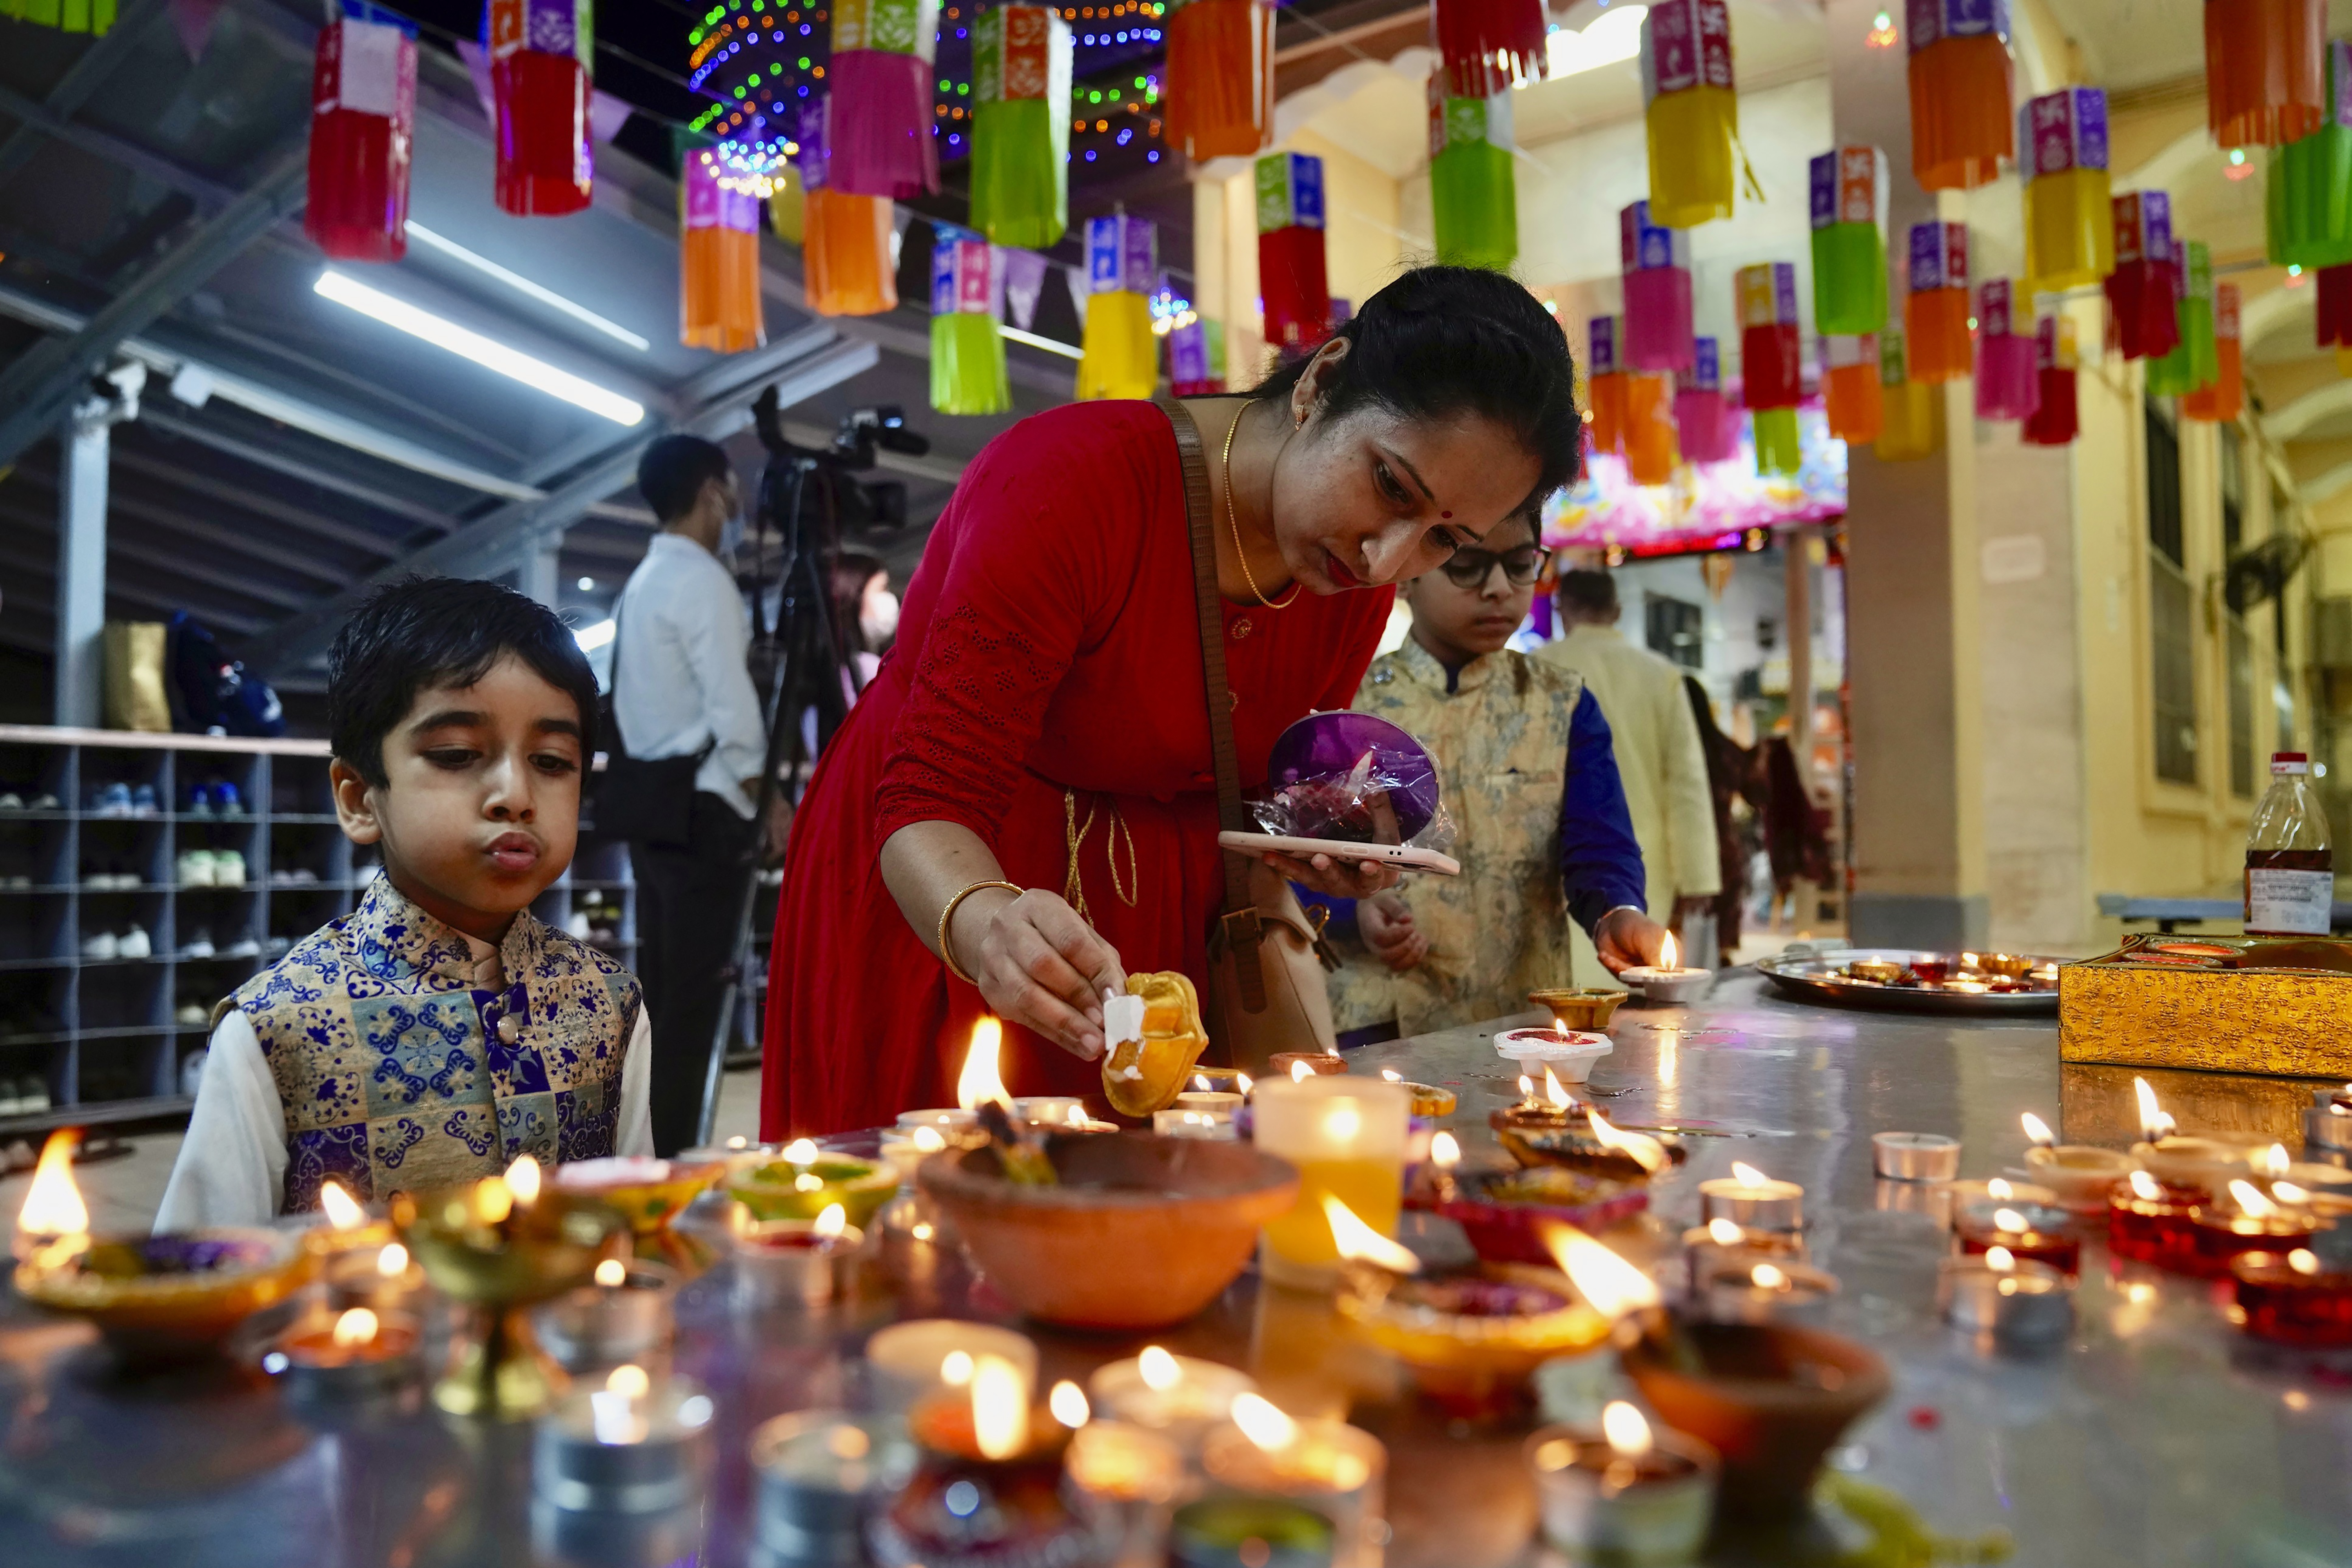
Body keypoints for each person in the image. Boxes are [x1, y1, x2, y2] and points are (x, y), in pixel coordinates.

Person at [761, 266, 1583, 1137]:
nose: (1386, 560)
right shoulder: (1073, 483)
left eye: (1444, 539)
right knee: (942, 1209)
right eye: (1390, 486)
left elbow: (1260, 786)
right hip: (958, 881)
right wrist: (985, 923)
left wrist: (1312, 840)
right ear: (1323, 380)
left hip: (1156, 929)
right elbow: (928, 796)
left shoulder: (1353, 585)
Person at [156, 580, 652, 1229]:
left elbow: (637, 1225)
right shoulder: (274, 1031)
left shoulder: (610, 1005)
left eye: (552, 761)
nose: (515, 794)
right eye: (456, 754)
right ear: (360, 799)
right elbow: (199, 1275)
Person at [1322, 515, 1670, 1042]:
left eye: (1520, 564)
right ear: (1409, 573)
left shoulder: (1562, 701)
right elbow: (1295, 854)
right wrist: (1355, 910)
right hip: (1382, 1022)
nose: (1500, 589)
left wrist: (1616, 912)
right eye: (1468, 565)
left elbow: (1598, 844)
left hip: (1527, 1019)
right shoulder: (1350, 705)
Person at [612, 434, 766, 1155]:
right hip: (707, 808)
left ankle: (653, 1147)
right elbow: (732, 706)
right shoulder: (702, 579)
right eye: (731, 489)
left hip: (653, 806)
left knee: (666, 994)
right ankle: (678, 1153)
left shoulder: (642, 582)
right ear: (713, 489)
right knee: (701, 998)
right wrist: (766, 793)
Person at [1535, 569, 1722, 948]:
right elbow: (1686, 781)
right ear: (1617, 611)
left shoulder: (1537, 671)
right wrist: (1698, 876)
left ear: (1561, 609)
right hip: (1645, 860)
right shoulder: (1661, 674)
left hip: (1556, 860)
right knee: (1631, 966)